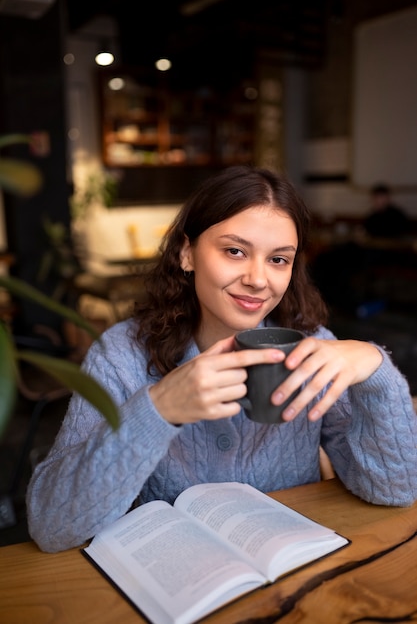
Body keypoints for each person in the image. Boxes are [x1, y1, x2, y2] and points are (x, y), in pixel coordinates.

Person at [26, 166, 417, 553]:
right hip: (175, 582)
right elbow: (50, 525)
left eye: (279, 259)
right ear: (186, 252)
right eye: (234, 251)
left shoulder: (313, 347)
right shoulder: (121, 355)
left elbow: (395, 490)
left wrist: (375, 370)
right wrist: (158, 409)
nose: (258, 279)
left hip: (292, 572)